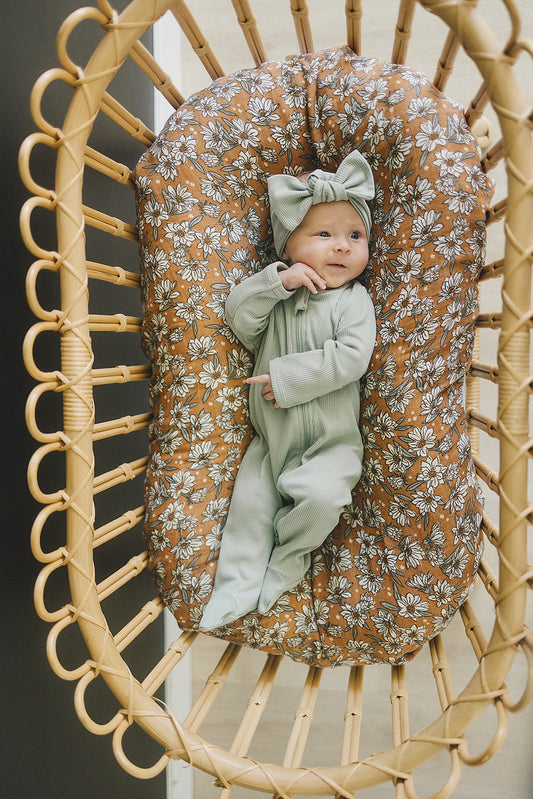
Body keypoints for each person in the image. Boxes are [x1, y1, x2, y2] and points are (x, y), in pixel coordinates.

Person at [199, 150, 377, 631]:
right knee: (248, 513)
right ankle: (235, 590)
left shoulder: (353, 301)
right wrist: (278, 282)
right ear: (288, 244)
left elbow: (352, 358)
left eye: (354, 236)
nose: (342, 247)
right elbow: (239, 317)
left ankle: (288, 560)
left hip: (331, 446)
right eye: (324, 235)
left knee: (321, 501)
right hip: (270, 444)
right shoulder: (276, 296)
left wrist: (287, 378)